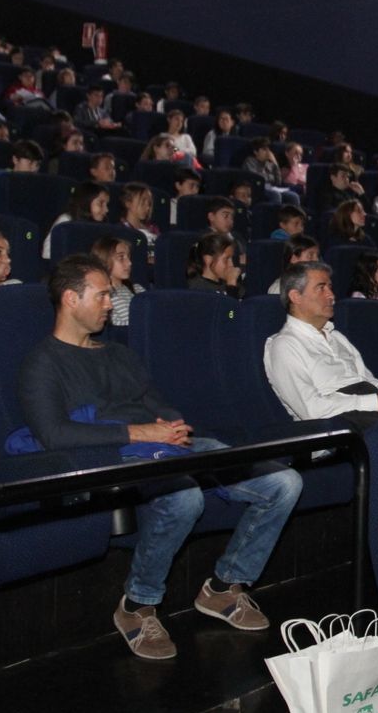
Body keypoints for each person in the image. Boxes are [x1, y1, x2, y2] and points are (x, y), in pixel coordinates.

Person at [18, 254, 303, 660]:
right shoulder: (42, 362)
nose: (108, 304)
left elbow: (157, 403)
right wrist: (141, 432)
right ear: (70, 298)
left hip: (160, 446)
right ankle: (137, 606)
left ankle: (224, 588)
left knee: (283, 482)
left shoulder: (118, 354)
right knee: (185, 495)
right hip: (110, 455)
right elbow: (53, 435)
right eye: (101, 296)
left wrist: (172, 425)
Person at [264, 261, 378, 429]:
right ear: (296, 296)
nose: (331, 295)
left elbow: (365, 379)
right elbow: (311, 409)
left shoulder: (336, 337)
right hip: (336, 429)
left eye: (330, 287)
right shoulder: (284, 345)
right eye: (321, 288)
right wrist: (376, 402)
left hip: (369, 411)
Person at [42, 181, 110, 260]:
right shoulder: (66, 221)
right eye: (100, 204)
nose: (106, 210)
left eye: (107, 204)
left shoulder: (103, 226)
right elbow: (47, 253)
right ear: (86, 201)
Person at [91, 234, 143, 327]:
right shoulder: (105, 296)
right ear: (104, 261)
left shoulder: (138, 289)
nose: (130, 263)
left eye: (129, 257)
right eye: (121, 257)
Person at [186, 231, 242, 297]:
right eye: (226, 259)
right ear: (208, 259)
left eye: (231, 259)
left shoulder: (228, 282)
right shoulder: (197, 288)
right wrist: (231, 285)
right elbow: (230, 307)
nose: (231, 265)